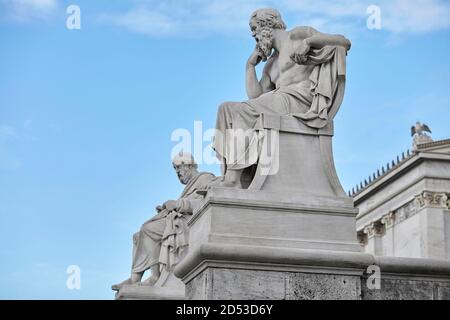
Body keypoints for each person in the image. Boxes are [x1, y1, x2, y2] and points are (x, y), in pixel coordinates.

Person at [212, 8, 351, 188]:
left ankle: (233, 178)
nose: (253, 35)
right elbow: (255, 95)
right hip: (281, 99)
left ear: (267, 25)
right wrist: (249, 66)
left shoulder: (297, 35)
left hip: (301, 99)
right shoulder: (270, 64)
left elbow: (343, 42)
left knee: (242, 110)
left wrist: (309, 42)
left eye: (254, 29)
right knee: (226, 108)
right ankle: (231, 173)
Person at [112, 152, 216, 290]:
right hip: (178, 218)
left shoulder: (205, 178)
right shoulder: (190, 184)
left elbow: (204, 202)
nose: (177, 172)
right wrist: (167, 208)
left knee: (148, 229)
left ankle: (154, 277)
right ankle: (135, 277)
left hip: (188, 222)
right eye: (175, 169)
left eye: (179, 167)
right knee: (137, 236)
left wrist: (178, 204)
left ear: (189, 165)